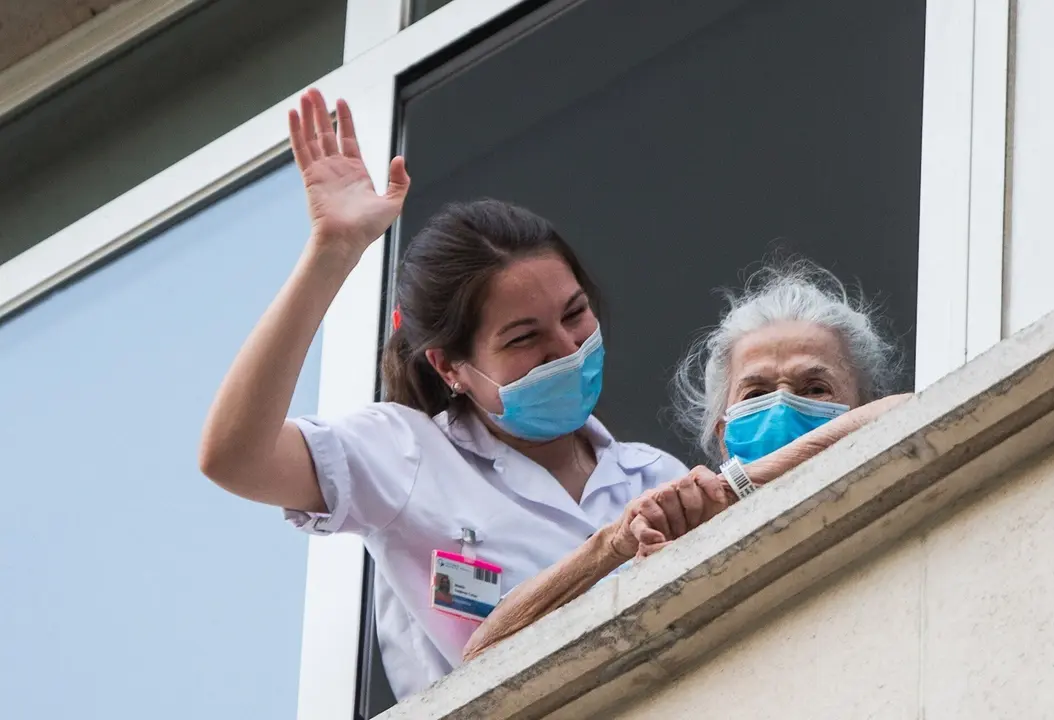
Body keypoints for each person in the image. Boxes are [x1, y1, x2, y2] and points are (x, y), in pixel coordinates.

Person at [197, 88, 705, 700]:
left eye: (575, 314)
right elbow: (233, 455)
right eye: (524, 338)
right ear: (451, 367)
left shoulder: (653, 477)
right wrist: (332, 254)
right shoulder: (406, 456)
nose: (567, 348)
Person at [462, 260, 913, 660]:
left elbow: (906, 411)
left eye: (815, 388)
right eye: (755, 393)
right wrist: (615, 541)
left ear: (859, 407)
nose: (781, 406)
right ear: (722, 435)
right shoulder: (683, 540)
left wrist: (739, 484)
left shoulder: (902, 488)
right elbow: (483, 651)